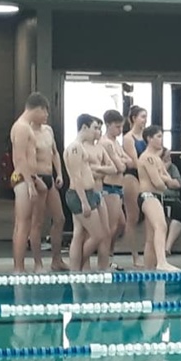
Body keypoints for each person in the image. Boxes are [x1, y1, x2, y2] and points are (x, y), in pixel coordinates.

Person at [10, 93, 51, 273]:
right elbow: (19, 158)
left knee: (24, 223)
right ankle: (18, 268)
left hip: (29, 177)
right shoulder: (21, 127)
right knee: (23, 224)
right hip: (21, 178)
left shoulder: (25, 126)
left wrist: (35, 180)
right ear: (38, 108)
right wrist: (29, 183)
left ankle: (20, 267)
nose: (45, 117)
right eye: (45, 113)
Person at [63, 114, 110, 271]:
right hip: (79, 195)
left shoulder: (78, 147)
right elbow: (76, 177)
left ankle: (76, 270)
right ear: (84, 127)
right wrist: (84, 202)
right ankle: (77, 267)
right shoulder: (75, 147)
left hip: (84, 194)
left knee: (79, 234)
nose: (95, 132)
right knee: (98, 235)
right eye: (93, 128)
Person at [137, 125, 181, 271]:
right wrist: (165, 181)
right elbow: (159, 183)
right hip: (148, 196)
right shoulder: (147, 157)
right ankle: (162, 262)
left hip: (155, 196)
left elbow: (172, 181)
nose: (161, 140)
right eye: (158, 136)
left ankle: (149, 269)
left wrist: (164, 179)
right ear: (149, 139)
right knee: (161, 226)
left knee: (151, 238)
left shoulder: (156, 158)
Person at [29, 108, 67, 272]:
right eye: (43, 112)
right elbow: (25, 159)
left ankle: (56, 260)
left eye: (47, 111)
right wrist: (34, 179)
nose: (47, 115)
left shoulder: (48, 130)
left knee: (60, 219)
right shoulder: (28, 132)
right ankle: (38, 263)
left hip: (49, 177)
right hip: (36, 179)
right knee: (37, 222)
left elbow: (55, 153)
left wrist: (59, 173)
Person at [81, 117, 117, 268]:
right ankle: (83, 265)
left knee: (106, 232)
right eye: (95, 128)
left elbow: (113, 169)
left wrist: (98, 169)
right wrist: (99, 170)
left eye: (99, 129)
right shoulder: (80, 148)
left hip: (100, 192)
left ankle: (103, 267)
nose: (98, 131)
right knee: (88, 233)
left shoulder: (100, 149)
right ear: (86, 128)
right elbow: (82, 172)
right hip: (86, 192)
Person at [101, 109, 133, 256]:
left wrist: (122, 161)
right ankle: (105, 257)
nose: (120, 130)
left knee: (121, 224)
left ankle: (109, 252)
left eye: (121, 127)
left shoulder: (115, 142)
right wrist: (122, 162)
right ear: (108, 125)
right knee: (111, 226)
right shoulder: (106, 143)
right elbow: (119, 166)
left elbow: (130, 162)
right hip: (109, 187)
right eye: (117, 127)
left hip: (118, 187)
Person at [122, 105, 148, 268]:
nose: (145, 120)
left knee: (146, 216)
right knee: (132, 217)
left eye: (146, 116)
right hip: (132, 176)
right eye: (142, 116)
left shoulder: (146, 136)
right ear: (133, 119)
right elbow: (135, 161)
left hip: (144, 176)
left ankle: (147, 252)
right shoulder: (128, 138)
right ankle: (134, 256)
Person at [161, 147, 181, 256]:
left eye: (170, 156)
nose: (169, 159)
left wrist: (166, 177)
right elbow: (160, 187)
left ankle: (168, 247)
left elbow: (178, 184)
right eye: (167, 157)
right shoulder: (153, 166)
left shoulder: (173, 168)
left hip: (173, 199)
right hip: (159, 198)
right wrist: (168, 180)